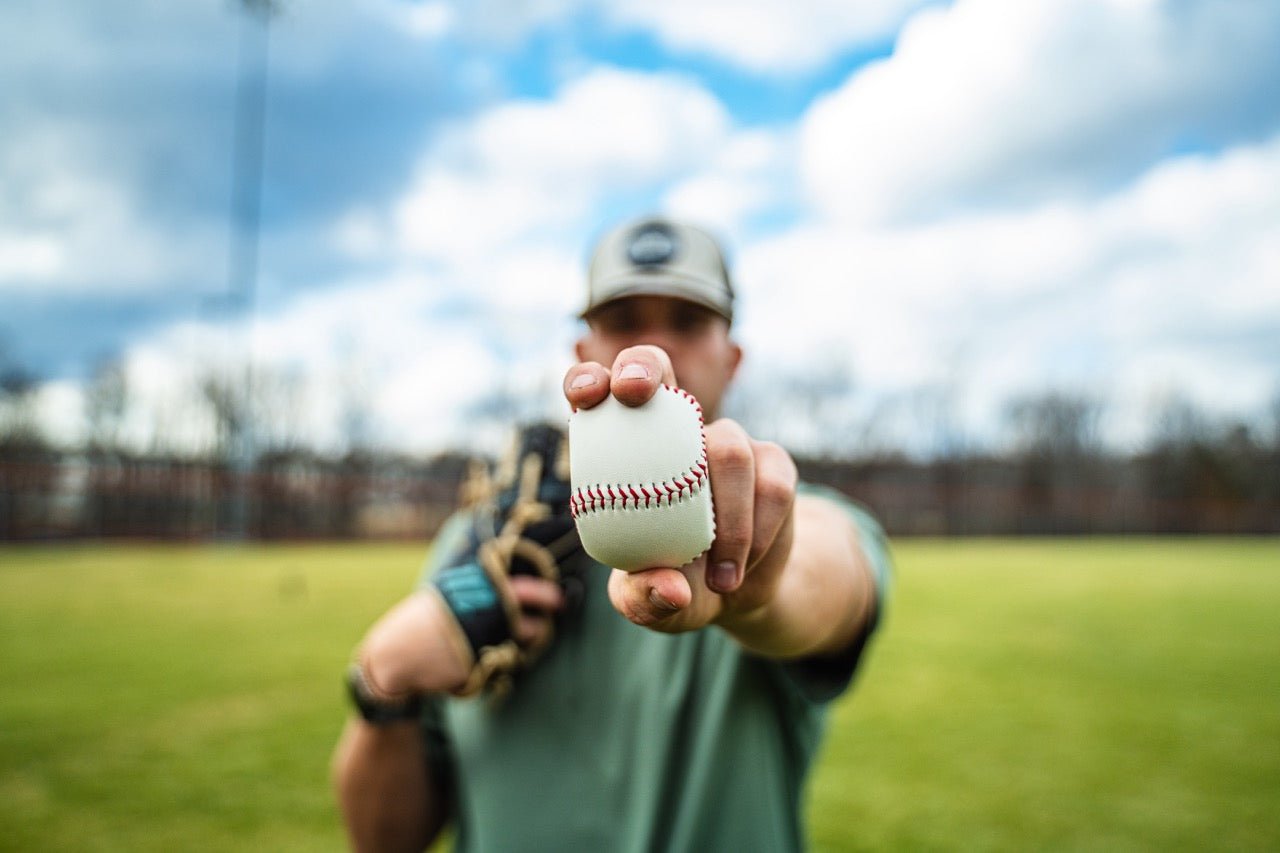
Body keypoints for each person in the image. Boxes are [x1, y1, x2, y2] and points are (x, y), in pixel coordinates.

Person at [331, 216, 892, 852]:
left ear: (731, 360)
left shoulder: (782, 514)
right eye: (624, 321)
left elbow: (828, 577)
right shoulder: (478, 546)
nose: (655, 347)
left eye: (687, 321)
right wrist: (384, 685)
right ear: (584, 356)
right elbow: (382, 842)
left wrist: (757, 588)